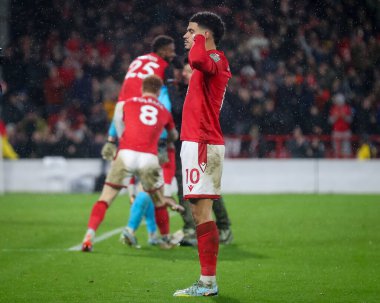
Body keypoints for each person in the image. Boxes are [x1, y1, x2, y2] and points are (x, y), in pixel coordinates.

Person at [81, 75, 181, 252]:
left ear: (142, 89)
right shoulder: (164, 110)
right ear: (158, 92)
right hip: (149, 157)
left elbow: (118, 123)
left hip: (126, 153)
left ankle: (89, 236)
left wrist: (112, 140)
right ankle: (164, 238)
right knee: (159, 201)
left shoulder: (127, 103)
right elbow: (173, 135)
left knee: (105, 198)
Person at [173, 12, 231, 297]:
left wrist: (198, 39)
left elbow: (196, 59)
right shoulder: (205, 64)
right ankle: (207, 281)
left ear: (205, 34)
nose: (186, 35)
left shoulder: (217, 59)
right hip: (194, 142)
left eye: (191, 30)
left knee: (203, 212)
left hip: (203, 142)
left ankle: (208, 282)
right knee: (198, 213)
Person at [171, 60, 233, 246]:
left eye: (189, 71)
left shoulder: (202, 91)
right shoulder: (185, 91)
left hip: (200, 144)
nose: (184, 74)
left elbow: (178, 110)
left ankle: (223, 227)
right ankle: (192, 228)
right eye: (184, 71)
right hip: (182, 145)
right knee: (187, 189)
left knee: (206, 189)